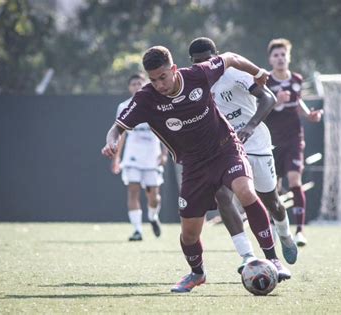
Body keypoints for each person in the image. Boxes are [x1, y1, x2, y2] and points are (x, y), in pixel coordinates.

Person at [101, 45, 291, 293]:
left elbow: (231, 57)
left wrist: (258, 72)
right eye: (153, 79)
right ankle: (197, 273)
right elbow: (118, 127)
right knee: (189, 233)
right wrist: (111, 140)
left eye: (163, 77)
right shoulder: (146, 98)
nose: (159, 84)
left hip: (225, 149)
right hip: (192, 165)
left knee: (245, 191)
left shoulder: (199, 74)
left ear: (174, 69)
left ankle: (272, 258)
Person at [188, 37, 298, 271]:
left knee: (272, 201)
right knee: (223, 197)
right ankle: (248, 255)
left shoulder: (233, 73)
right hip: (225, 148)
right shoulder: (196, 84)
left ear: (216, 56)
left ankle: (286, 235)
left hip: (256, 142)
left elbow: (268, 98)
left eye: (207, 60)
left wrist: (250, 126)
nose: (204, 65)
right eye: (198, 62)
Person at [265, 38, 323, 246]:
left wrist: (309, 116)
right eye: (276, 55)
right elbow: (261, 110)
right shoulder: (266, 82)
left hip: (294, 139)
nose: (280, 58)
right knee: (273, 188)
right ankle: (276, 227)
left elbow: (298, 101)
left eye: (283, 55)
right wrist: (276, 102)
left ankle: (300, 231)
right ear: (270, 59)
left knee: (295, 180)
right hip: (271, 142)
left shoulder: (297, 79)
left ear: (288, 57)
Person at [111, 74, 167, 241]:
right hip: (132, 157)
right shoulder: (124, 106)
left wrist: (164, 154)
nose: (136, 86)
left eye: (139, 83)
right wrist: (116, 158)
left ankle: (152, 217)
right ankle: (137, 230)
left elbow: (166, 131)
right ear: (129, 87)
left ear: (146, 84)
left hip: (152, 157)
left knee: (153, 197)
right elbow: (120, 134)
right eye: (133, 84)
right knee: (133, 191)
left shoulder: (157, 103)